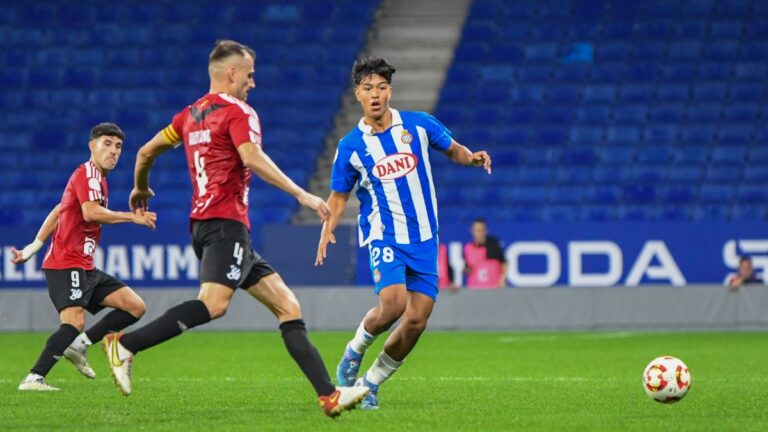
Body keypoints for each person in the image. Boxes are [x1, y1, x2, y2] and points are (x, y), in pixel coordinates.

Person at [101, 40, 368, 417]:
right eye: (250, 75)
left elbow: (145, 152)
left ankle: (329, 395)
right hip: (226, 225)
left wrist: (140, 186)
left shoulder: (189, 115)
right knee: (214, 304)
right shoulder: (239, 111)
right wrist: (302, 194)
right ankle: (125, 344)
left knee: (287, 306)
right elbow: (252, 157)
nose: (253, 83)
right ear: (231, 73)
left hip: (205, 225)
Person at [315, 57, 492, 409]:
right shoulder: (351, 146)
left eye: (381, 87)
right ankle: (355, 349)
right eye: (368, 88)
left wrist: (471, 157)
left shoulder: (419, 125)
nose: (376, 94)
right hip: (385, 234)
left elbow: (452, 148)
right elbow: (338, 197)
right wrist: (326, 229)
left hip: (426, 237)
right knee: (393, 305)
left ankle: (371, 384)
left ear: (390, 91)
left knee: (416, 321)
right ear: (358, 95)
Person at [12, 123, 156, 391]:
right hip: (65, 263)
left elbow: (60, 209)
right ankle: (34, 378)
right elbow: (90, 213)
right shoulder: (87, 174)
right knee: (73, 322)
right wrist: (130, 217)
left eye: (118, 146)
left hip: (84, 265)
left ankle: (80, 344)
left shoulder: (98, 179)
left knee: (135, 306)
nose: (113, 151)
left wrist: (33, 246)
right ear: (92, 146)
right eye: (107, 144)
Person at [463, 218, 507, 289]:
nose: (479, 233)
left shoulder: (493, 245)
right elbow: (467, 269)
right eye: (477, 230)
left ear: (486, 230)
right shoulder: (468, 248)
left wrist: (502, 279)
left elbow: (504, 264)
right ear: (472, 231)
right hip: (475, 288)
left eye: (482, 230)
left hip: (493, 288)